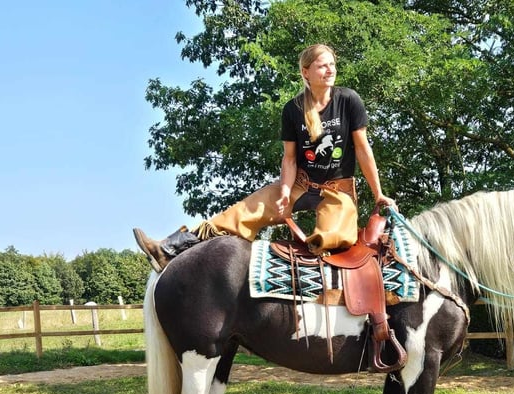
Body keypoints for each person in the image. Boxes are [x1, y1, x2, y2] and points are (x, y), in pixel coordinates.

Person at [134, 43, 396, 272]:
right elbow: (290, 159)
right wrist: (283, 192)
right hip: (300, 185)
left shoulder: (348, 100)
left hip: (337, 191)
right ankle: (170, 249)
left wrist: (378, 193)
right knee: (241, 213)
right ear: (306, 72)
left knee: (333, 237)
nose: (330, 70)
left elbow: (363, 149)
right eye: (322, 66)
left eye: (332, 65)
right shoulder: (293, 109)